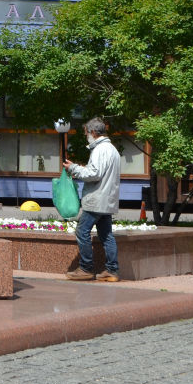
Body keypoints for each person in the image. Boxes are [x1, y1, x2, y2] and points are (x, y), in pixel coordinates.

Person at [62, 117, 121, 282]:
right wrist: (80, 169)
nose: (86, 135)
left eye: (87, 132)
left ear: (93, 132)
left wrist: (74, 168)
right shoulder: (112, 150)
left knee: (82, 231)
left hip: (96, 199)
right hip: (108, 200)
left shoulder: (100, 149)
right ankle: (112, 270)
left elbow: (93, 174)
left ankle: (86, 268)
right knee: (107, 235)